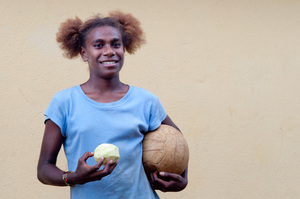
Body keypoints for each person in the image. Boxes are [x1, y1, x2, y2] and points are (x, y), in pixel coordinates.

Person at [37, 10, 188, 199]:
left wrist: (183, 178)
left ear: (124, 49)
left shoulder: (146, 101)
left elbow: (178, 142)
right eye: (98, 45)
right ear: (84, 53)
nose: (109, 51)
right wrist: (74, 177)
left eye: (116, 44)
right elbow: (44, 169)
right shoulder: (64, 102)